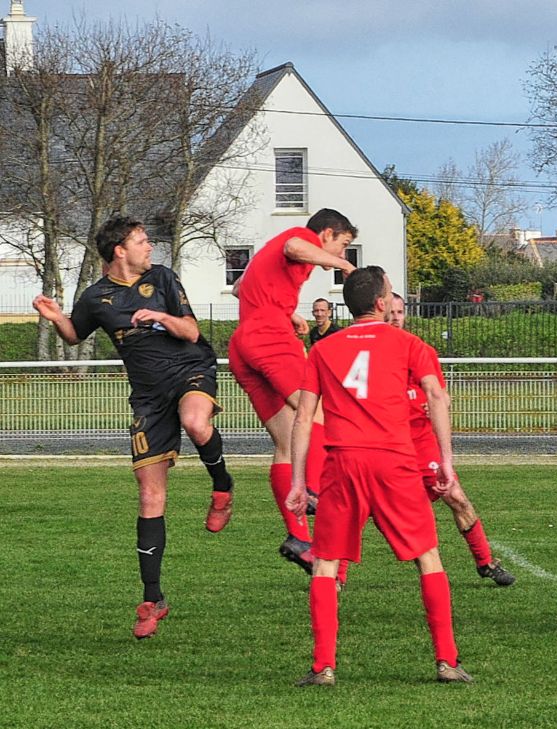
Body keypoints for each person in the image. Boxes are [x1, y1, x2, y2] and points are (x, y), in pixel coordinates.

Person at [32, 217, 236, 639]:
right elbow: (74, 335)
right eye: (142, 241)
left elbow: (191, 330)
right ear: (119, 250)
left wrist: (159, 315)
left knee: (196, 421)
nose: (149, 247)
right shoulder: (95, 297)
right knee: (148, 495)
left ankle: (222, 488)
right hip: (147, 396)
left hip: (189, 369)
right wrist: (54, 316)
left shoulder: (161, 277)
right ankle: (153, 599)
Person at [284, 266, 468, 686]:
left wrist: (298, 481)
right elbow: (437, 396)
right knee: (428, 556)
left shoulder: (323, 350)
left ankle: (323, 667)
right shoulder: (409, 343)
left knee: (326, 563)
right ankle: (446, 661)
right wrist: (446, 462)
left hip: (343, 463)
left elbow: (304, 417)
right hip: (395, 462)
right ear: (383, 303)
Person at [228, 208, 357, 572]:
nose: (341, 255)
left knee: (287, 442)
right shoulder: (300, 236)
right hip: (269, 338)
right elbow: (295, 246)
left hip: (244, 343)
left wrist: (287, 312)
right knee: (317, 409)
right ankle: (311, 488)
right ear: (328, 234)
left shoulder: (276, 256)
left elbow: (241, 288)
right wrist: (344, 269)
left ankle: (299, 537)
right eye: (343, 246)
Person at [388, 293, 514, 586]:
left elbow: (440, 397)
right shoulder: (376, 353)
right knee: (359, 507)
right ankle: (335, 575)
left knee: (456, 497)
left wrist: (431, 405)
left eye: (400, 311)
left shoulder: (421, 351)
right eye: (390, 311)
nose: (395, 317)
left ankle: (485, 562)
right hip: (388, 446)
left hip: (421, 444)